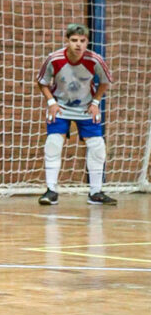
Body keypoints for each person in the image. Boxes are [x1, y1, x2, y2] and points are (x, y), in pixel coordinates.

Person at [37, 22, 116, 206]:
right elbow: (42, 82)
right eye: (74, 40)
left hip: (86, 107)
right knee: (53, 143)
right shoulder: (54, 59)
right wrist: (51, 102)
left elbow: (105, 81)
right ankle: (51, 191)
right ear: (67, 41)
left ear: (87, 42)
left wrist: (95, 102)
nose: (78, 44)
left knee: (97, 146)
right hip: (60, 107)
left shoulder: (95, 60)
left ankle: (95, 192)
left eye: (82, 40)